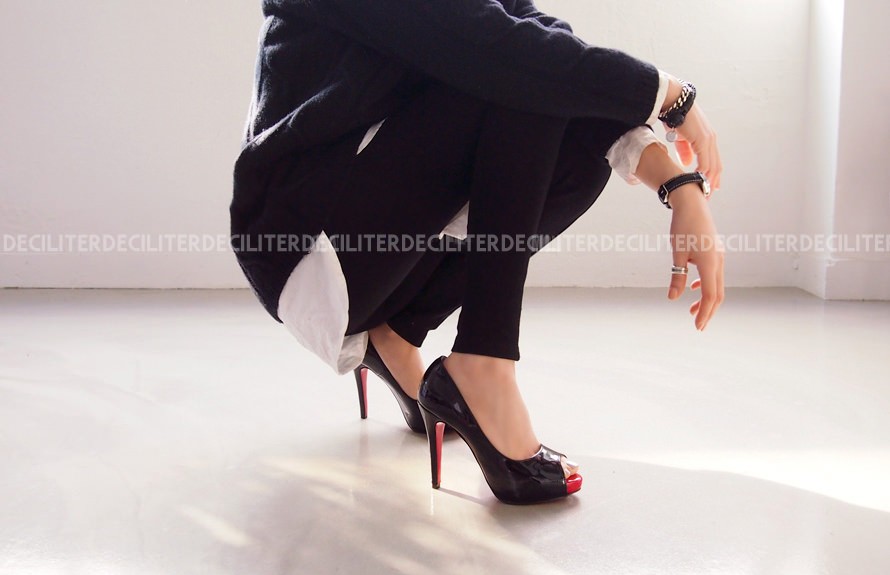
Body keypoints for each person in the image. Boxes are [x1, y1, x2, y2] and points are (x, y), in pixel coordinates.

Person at [230, 0, 724, 505]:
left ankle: (397, 329)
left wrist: (678, 183)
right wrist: (671, 96)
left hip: (373, 240)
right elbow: (510, 54)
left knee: (567, 129)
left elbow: (545, 39)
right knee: (518, 75)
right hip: (308, 240)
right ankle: (483, 364)